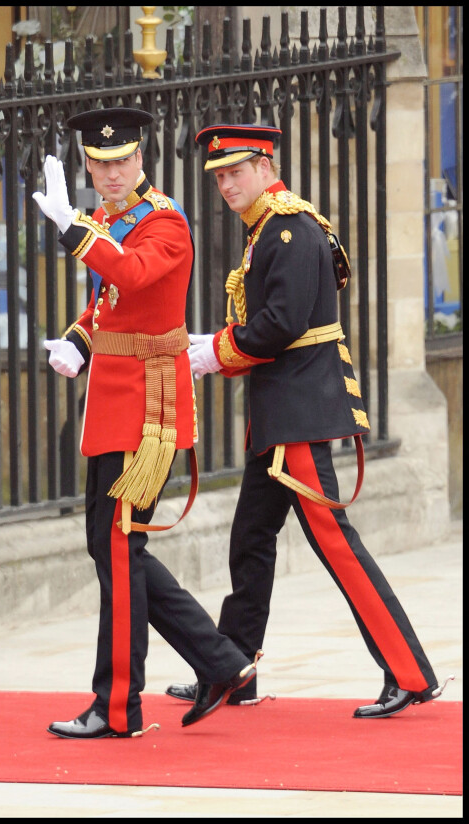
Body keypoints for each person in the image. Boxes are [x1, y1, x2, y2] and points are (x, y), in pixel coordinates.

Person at [165, 123, 452, 719]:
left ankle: (409, 671)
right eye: (218, 176)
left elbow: (279, 324)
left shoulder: (289, 229)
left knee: (335, 545)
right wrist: (214, 345)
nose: (225, 184)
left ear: (266, 167)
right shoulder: (269, 229)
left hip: (298, 416)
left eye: (235, 172)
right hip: (279, 415)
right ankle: (232, 668)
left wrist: (212, 353)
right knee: (250, 541)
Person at [32, 107, 260, 740]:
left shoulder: (163, 220)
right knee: (111, 546)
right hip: (114, 399)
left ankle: (117, 705)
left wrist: (73, 226)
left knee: (118, 548)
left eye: (121, 160)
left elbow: (131, 272)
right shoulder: (111, 219)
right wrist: (80, 339)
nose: (110, 172)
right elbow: (113, 300)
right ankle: (220, 662)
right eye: (99, 163)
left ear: (141, 158)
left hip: (149, 410)